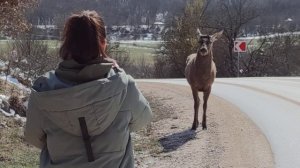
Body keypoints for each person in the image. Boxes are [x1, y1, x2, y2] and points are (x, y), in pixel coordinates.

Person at [24, 10, 152, 168]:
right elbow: (143, 119)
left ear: (66, 45)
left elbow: (33, 137)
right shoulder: (123, 85)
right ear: (103, 43)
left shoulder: (43, 90)